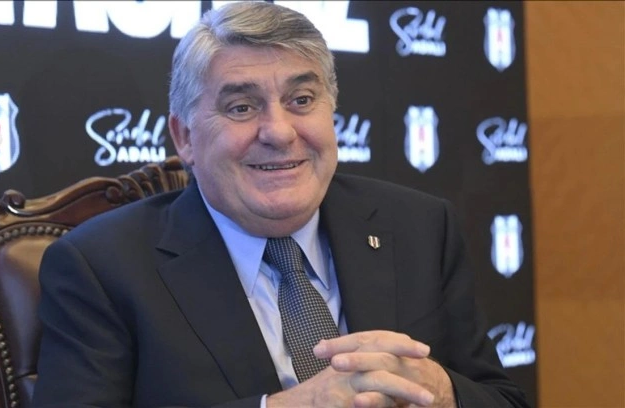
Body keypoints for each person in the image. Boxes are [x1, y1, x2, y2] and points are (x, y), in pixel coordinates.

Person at [32, 2, 529, 407]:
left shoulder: (419, 227)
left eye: (302, 100)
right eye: (241, 107)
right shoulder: (102, 267)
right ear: (184, 137)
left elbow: (503, 399)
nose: (279, 132)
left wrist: (441, 391)